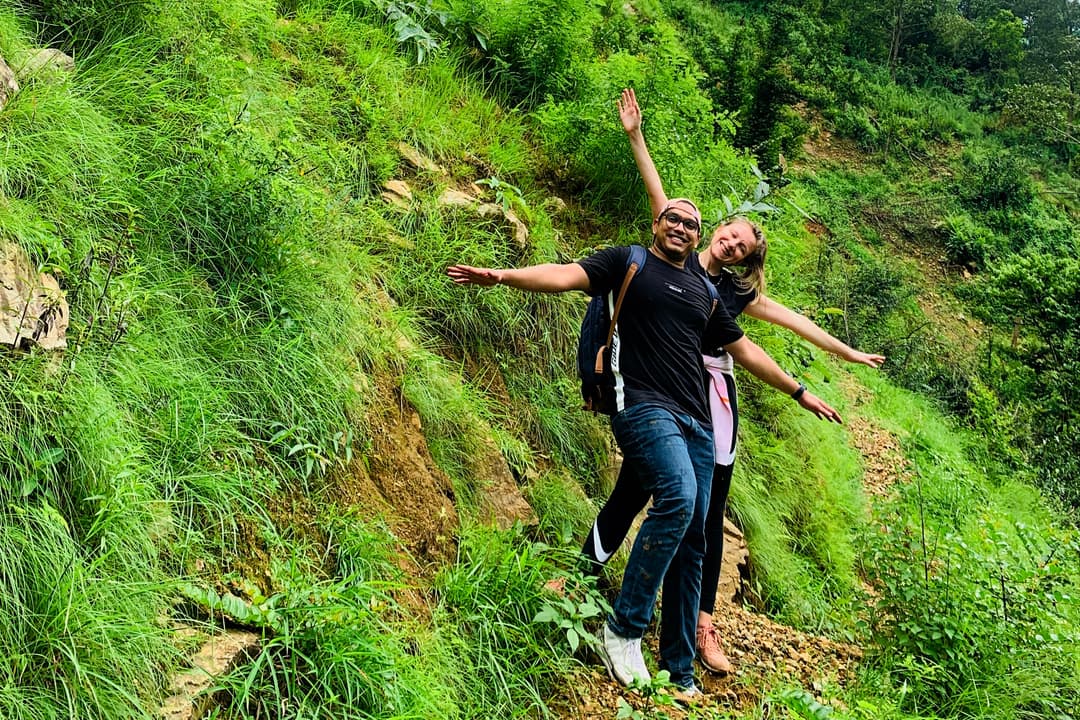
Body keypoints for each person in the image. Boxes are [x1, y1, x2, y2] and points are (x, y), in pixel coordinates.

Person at [580, 88, 885, 676]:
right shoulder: (678, 248)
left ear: (743, 258)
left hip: (704, 402)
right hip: (650, 389)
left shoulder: (735, 293)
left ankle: (697, 625)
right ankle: (590, 582)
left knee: (702, 510)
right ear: (712, 230)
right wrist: (636, 136)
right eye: (731, 234)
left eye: (742, 246)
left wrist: (844, 354)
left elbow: (790, 326)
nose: (731, 243)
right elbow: (659, 194)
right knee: (638, 494)